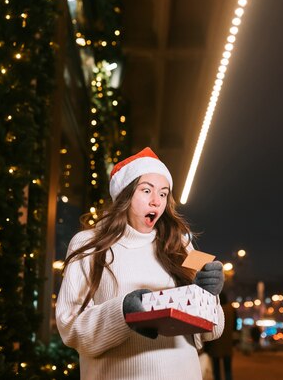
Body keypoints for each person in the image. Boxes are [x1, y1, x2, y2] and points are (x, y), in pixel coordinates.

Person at [55, 147, 226, 379]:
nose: (156, 201)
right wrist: (122, 312)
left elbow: (211, 333)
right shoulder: (89, 244)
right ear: (124, 195)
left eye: (164, 194)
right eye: (146, 190)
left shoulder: (181, 245)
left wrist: (209, 295)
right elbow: (70, 327)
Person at [205, 292, 236, 380]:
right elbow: (235, 327)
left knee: (216, 369)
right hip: (228, 343)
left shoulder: (214, 309)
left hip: (215, 343)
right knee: (228, 369)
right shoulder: (231, 309)